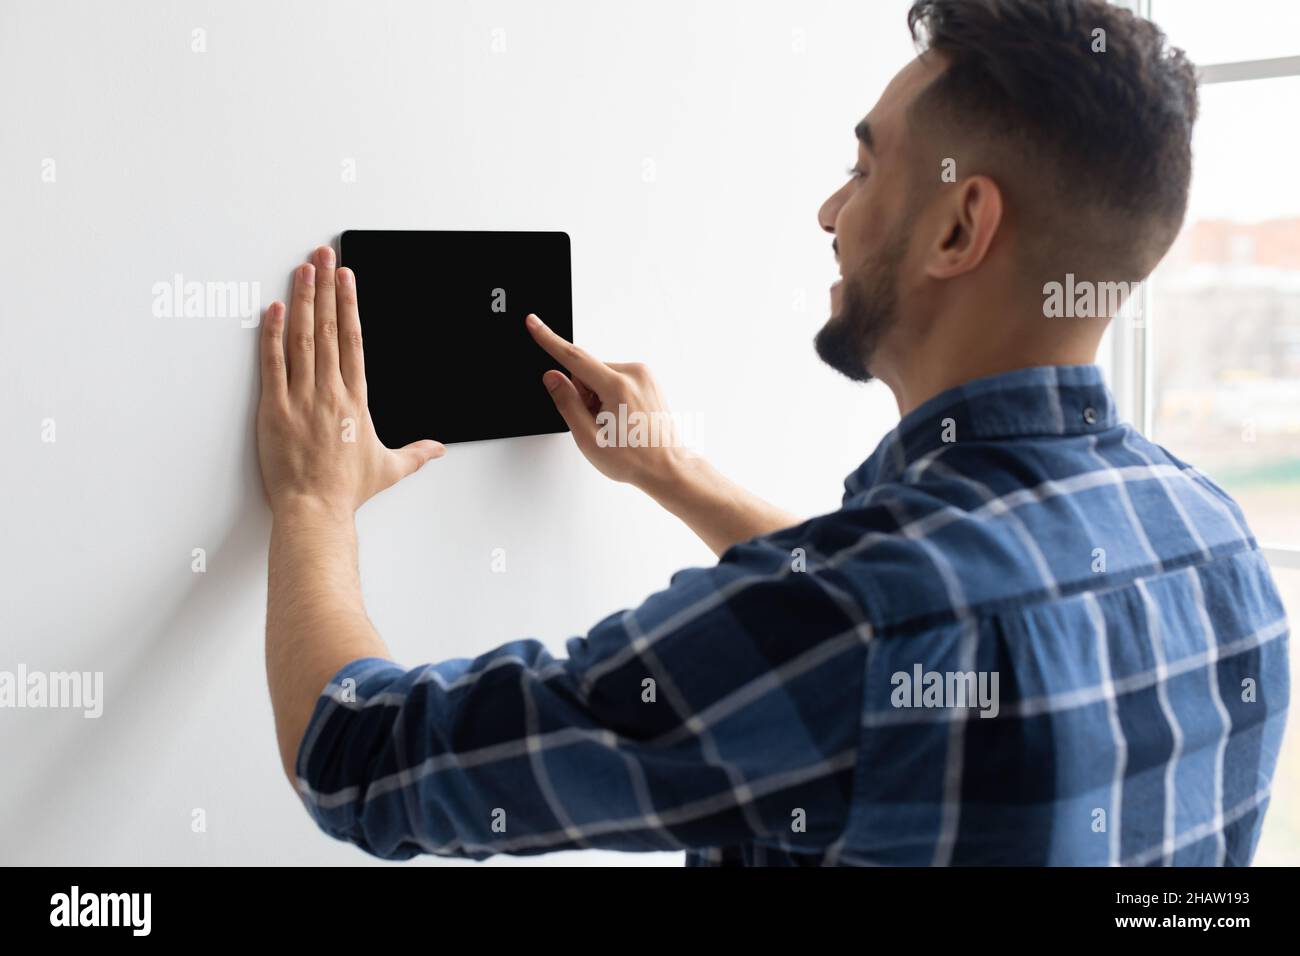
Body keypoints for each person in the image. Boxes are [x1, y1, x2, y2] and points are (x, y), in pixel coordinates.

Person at [257, 0, 1289, 865]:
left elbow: (359, 757)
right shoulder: (1214, 540)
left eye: (865, 168)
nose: (829, 210)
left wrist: (311, 502)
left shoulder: (862, 618)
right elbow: (934, 605)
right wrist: (675, 473)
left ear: (957, 227)